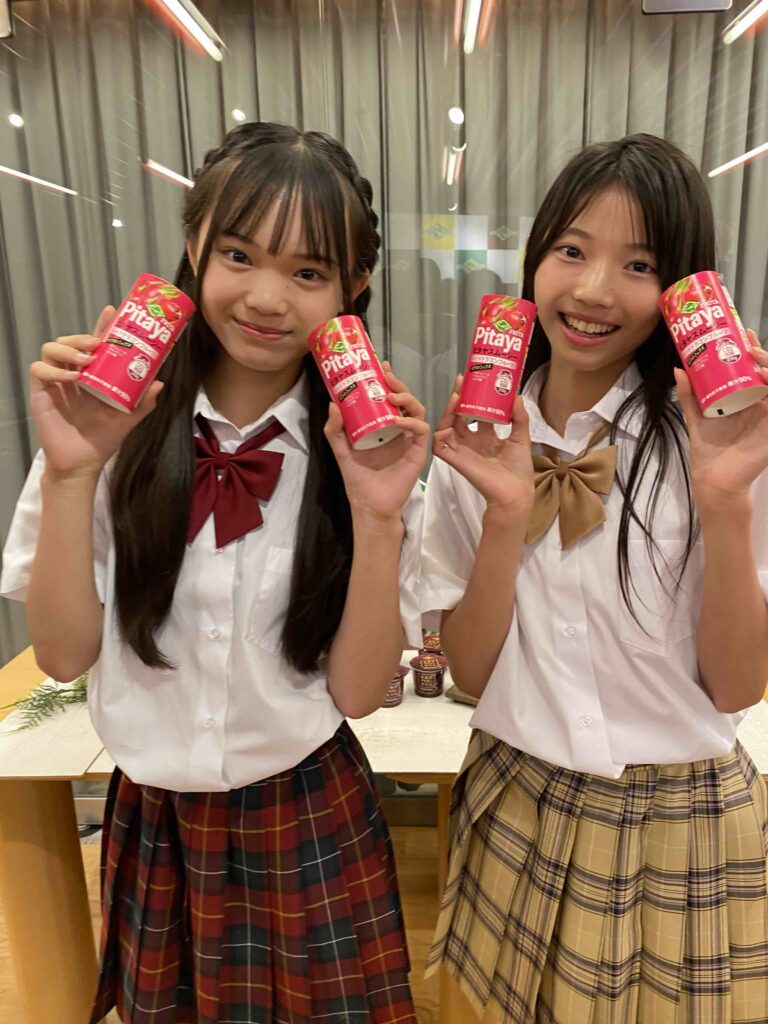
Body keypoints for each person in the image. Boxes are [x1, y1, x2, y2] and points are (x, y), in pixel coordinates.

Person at [1, 122, 428, 1024]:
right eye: (239, 254)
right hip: (156, 823)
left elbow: (358, 694)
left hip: (310, 812)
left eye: (308, 272)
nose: (267, 298)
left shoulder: (367, 453)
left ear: (353, 287)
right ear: (194, 246)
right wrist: (74, 473)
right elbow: (64, 655)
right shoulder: (106, 428)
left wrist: (379, 517)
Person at [421, 133, 768, 1023]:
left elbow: (738, 686)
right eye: (571, 250)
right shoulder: (477, 437)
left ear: (683, 287)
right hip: (515, 797)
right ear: (536, 258)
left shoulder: (723, 444)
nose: (594, 290)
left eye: (640, 264)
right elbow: (470, 673)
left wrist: (725, 501)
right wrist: (504, 516)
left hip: (682, 819)